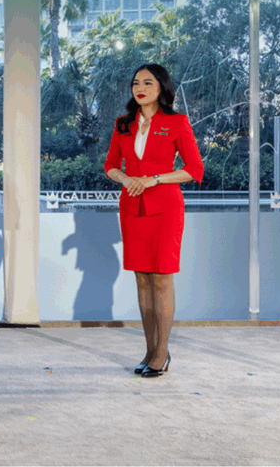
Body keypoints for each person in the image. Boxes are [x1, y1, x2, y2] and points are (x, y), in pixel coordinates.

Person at [103, 64, 203, 378]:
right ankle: (149, 349)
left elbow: (194, 169)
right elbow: (110, 166)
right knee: (142, 279)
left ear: (162, 87)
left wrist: (153, 179)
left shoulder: (176, 122)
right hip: (132, 207)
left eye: (148, 82)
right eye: (135, 82)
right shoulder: (122, 124)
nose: (140, 87)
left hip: (165, 208)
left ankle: (163, 351)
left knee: (161, 279)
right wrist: (127, 178)